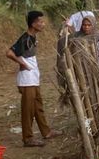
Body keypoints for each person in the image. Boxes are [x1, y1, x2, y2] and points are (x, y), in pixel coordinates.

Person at [6, 11, 61, 147]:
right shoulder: (25, 39)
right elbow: (9, 53)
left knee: (38, 106)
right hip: (27, 80)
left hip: (33, 78)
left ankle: (46, 132)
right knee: (28, 110)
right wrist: (23, 64)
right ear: (33, 24)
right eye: (40, 22)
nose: (43, 24)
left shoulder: (32, 38)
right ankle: (28, 138)